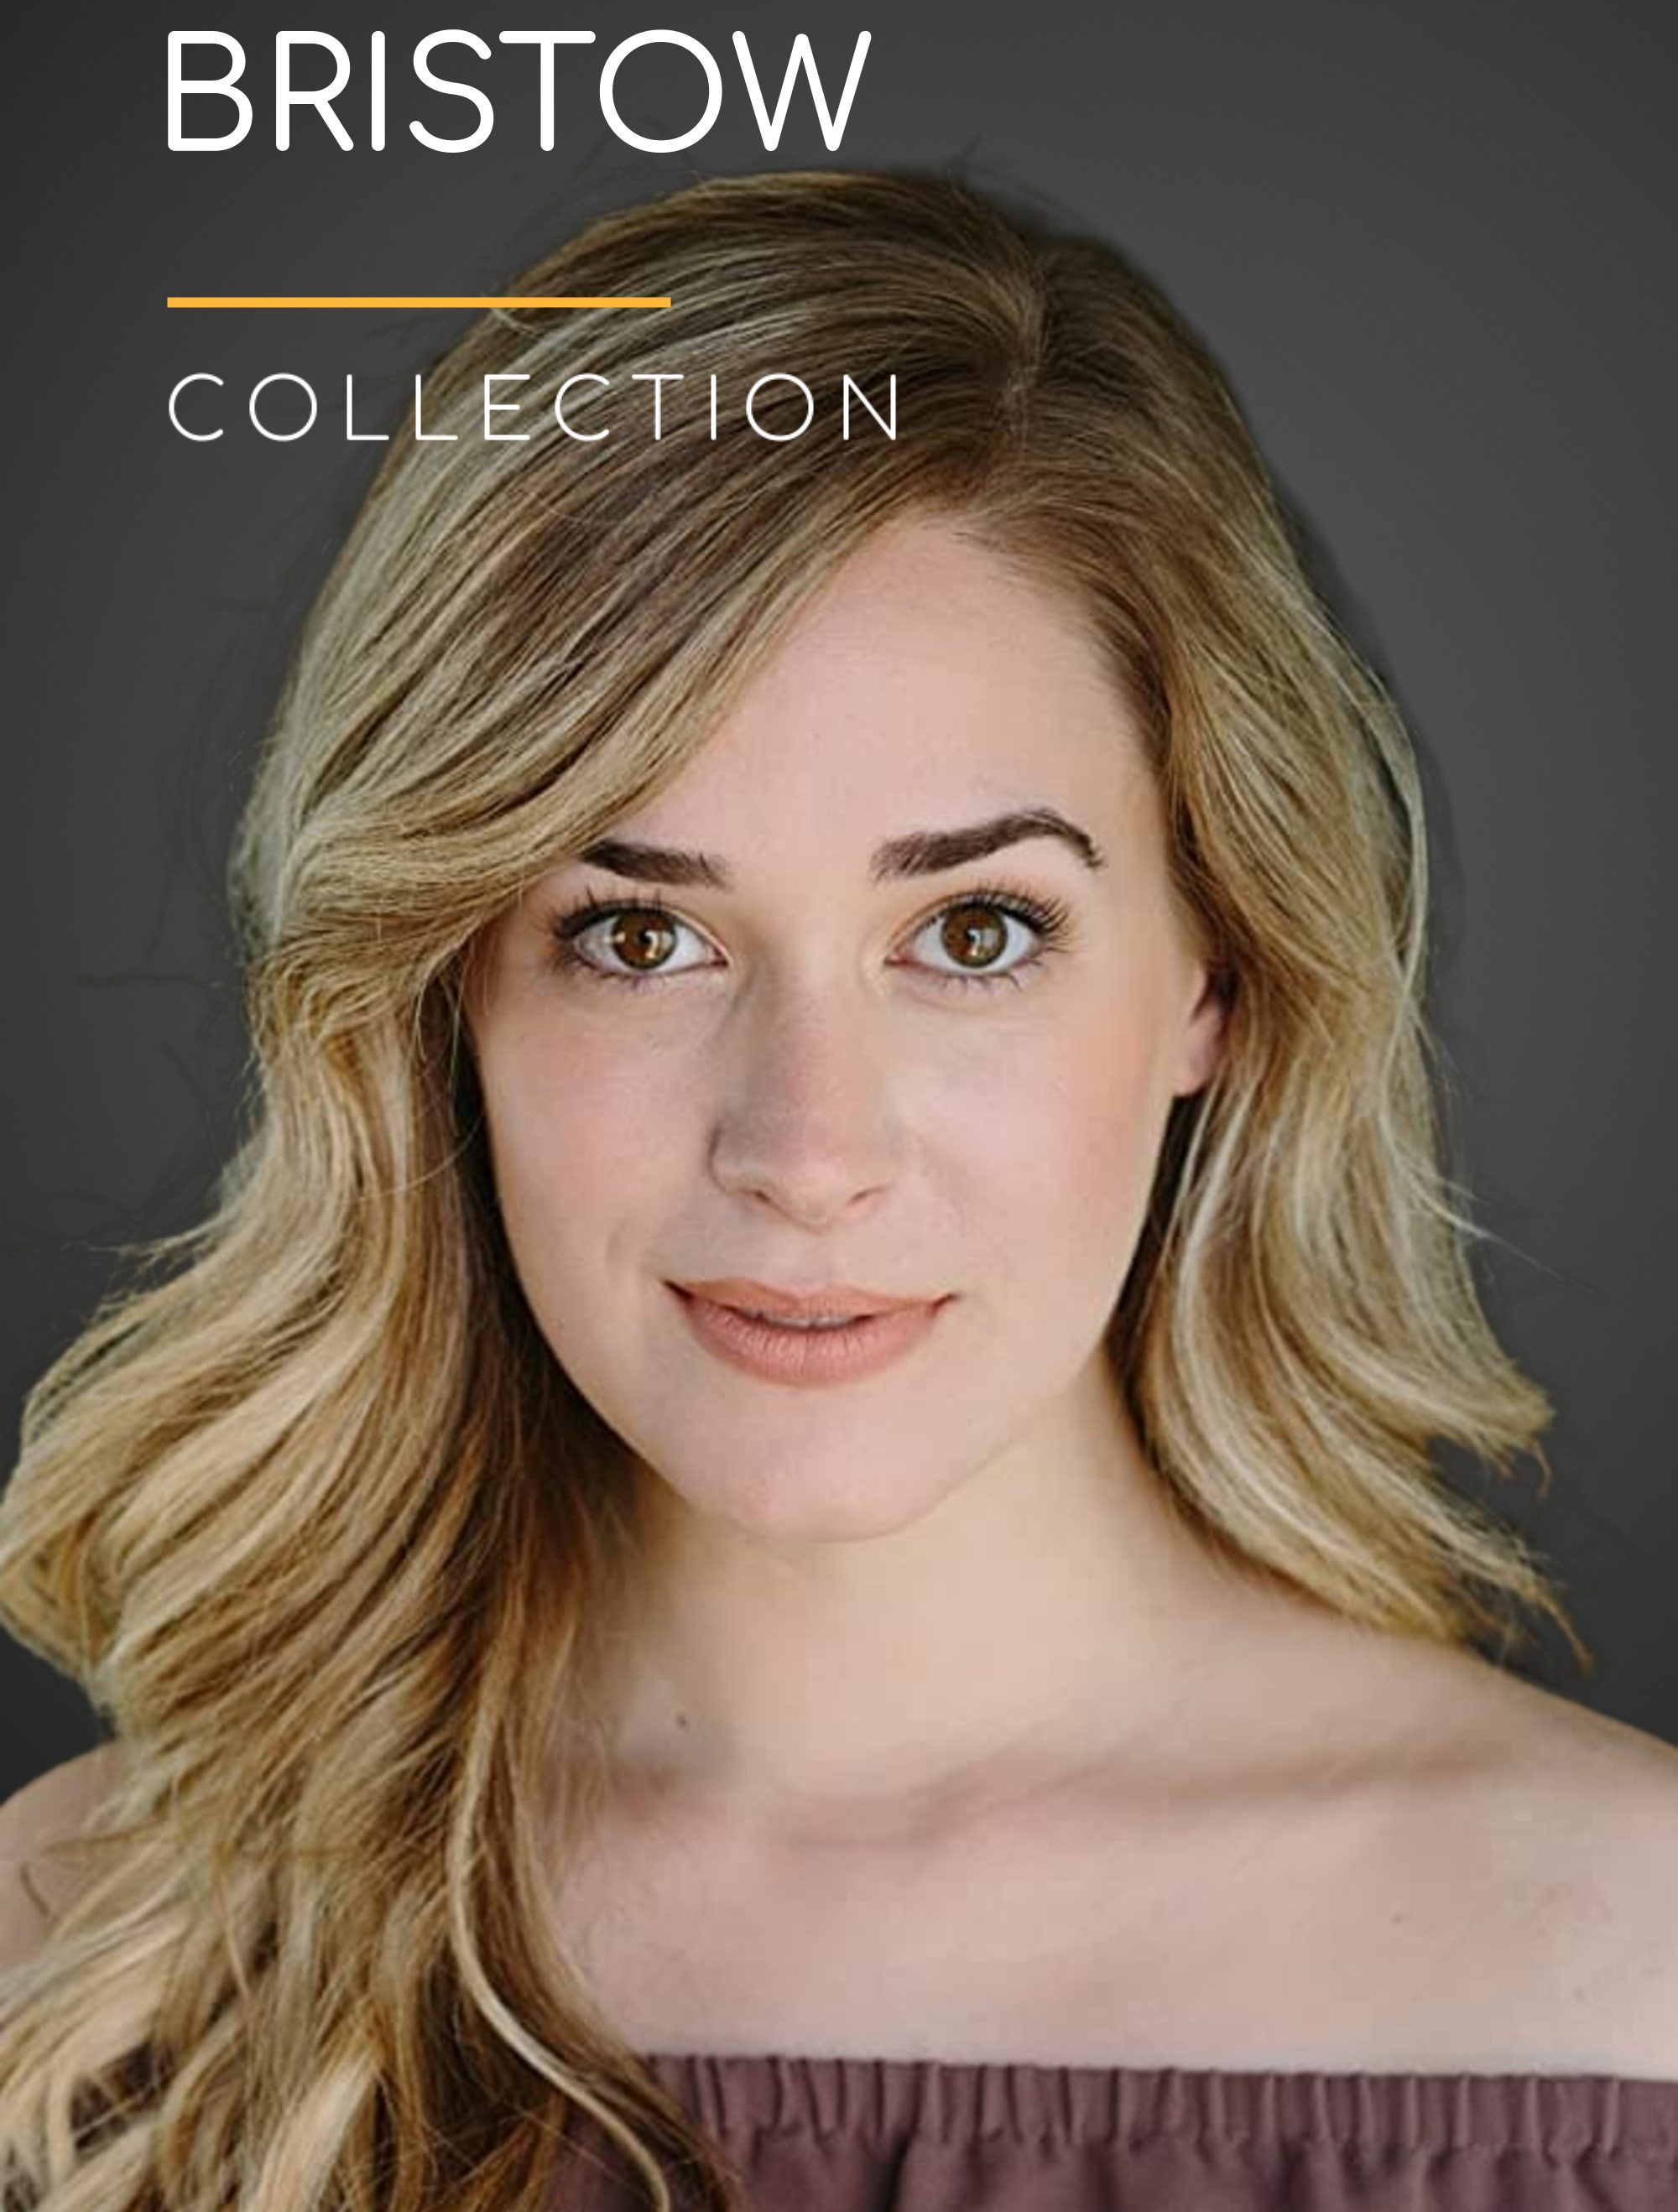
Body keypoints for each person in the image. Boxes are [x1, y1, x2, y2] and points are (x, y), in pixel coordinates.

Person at [1, 172, 1673, 2211]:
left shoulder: (1633, 1974)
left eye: (973, 933)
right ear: (442, 1001)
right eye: (636, 937)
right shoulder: (78, 1963)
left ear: (1213, 975)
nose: (806, 1153)